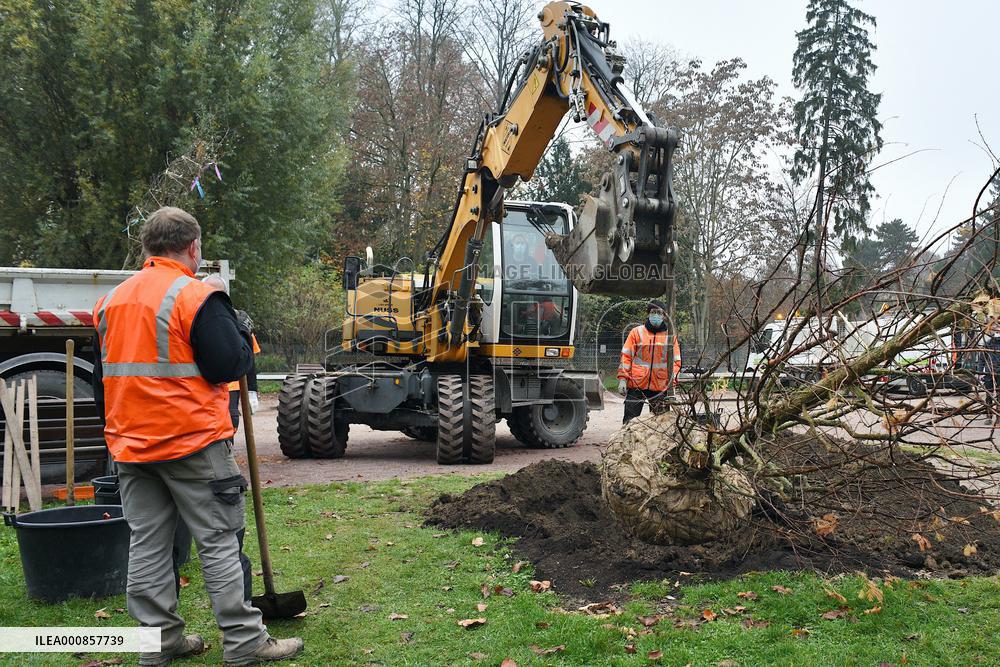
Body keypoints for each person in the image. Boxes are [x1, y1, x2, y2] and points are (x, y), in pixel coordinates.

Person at [92, 206, 302, 666]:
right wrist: (236, 325)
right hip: (192, 443)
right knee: (219, 539)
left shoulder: (112, 301)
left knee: (147, 543)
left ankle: (159, 644)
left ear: (147, 248)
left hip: (130, 446)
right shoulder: (197, 296)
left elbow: (101, 380)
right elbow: (229, 365)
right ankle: (245, 643)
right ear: (193, 247)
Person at [202, 274, 260, 429]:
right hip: (203, 384)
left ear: (225, 294)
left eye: (217, 293)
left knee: (230, 420)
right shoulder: (196, 318)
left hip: (232, 383)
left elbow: (250, 359)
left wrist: (252, 390)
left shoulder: (237, 320)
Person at [617, 300, 681, 424]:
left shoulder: (670, 336)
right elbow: (626, 357)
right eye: (653, 312)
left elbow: (676, 362)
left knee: (660, 424)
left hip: (660, 385)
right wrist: (623, 379)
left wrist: (671, 384)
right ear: (648, 314)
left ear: (664, 315)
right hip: (636, 383)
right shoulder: (636, 332)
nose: (656, 315)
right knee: (630, 422)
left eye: (659, 313)